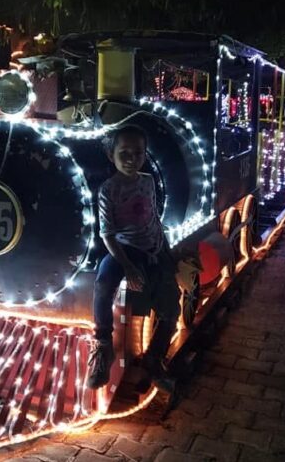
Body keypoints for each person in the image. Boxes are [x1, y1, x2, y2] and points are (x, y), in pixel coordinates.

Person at [87, 126, 179, 391]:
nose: (131, 158)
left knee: (172, 306)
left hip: (152, 248)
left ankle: (154, 357)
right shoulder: (108, 190)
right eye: (123, 153)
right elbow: (108, 235)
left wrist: (165, 251)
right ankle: (103, 345)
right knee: (103, 283)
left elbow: (153, 220)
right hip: (123, 251)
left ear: (145, 153)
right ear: (111, 155)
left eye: (137, 152)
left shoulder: (148, 181)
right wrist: (127, 266)